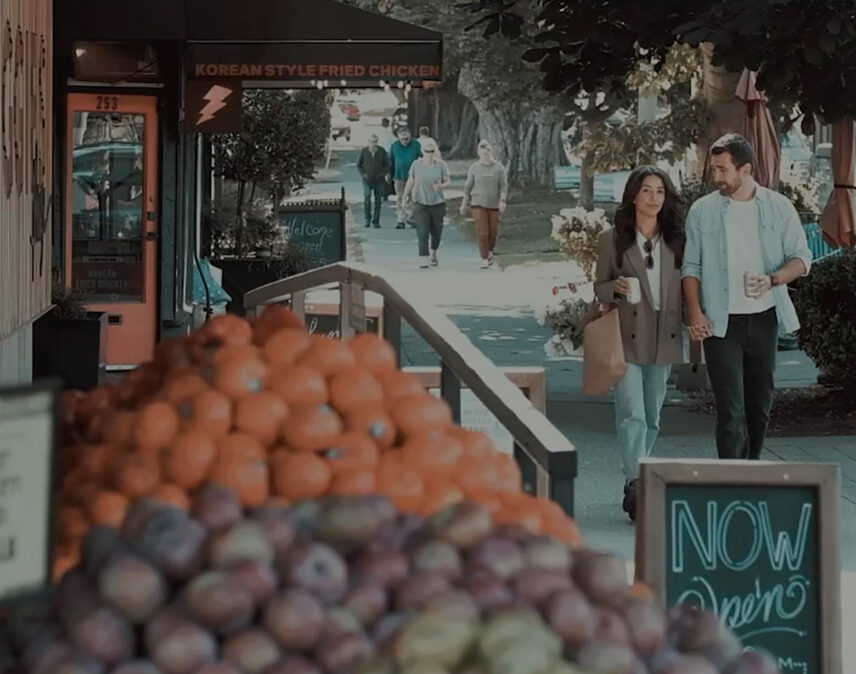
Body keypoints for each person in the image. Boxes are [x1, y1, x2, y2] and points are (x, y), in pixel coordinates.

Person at [682, 133, 812, 462]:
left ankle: (751, 472)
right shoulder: (702, 211)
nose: (717, 177)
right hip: (720, 324)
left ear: (746, 169)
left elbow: (802, 258)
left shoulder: (778, 208)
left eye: (723, 170)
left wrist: (773, 279)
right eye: (714, 169)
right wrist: (695, 312)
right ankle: (731, 483)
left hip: (764, 318)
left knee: (759, 407)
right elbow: (691, 266)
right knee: (730, 412)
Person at [594, 165, 686, 521]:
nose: (653, 198)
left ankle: (637, 473)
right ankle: (636, 481)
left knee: (652, 413)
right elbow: (599, 285)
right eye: (647, 191)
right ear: (633, 195)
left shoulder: (677, 238)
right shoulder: (612, 238)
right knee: (632, 411)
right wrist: (613, 288)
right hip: (627, 333)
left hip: (665, 333)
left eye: (660, 192)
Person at [402, 138, 451, 268]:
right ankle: (423, 257)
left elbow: (448, 181)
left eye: (431, 151)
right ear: (422, 151)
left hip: (437, 203)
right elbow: (410, 181)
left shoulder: (440, 165)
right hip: (420, 203)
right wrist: (405, 196)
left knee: (437, 232)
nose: (429, 153)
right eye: (427, 151)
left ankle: (433, 253)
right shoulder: (416, 165)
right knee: (422, 231)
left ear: (434, 152)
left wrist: (441, 186)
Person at [460, 139, 508, 268]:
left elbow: (503, 186)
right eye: (482, 151)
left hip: (494, 205)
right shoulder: (474, 167)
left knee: (493, 232)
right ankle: (484, 258)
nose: (485, 154)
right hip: (478, 204)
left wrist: (502, 200)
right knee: (483, 232)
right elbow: (468, 188)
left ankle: (490, 251)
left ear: (491, 152)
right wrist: (464, 204)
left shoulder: (499, 168)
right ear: (478, 152)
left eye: (487, 151)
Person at [388, 127, 422, 229]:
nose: (405, 141)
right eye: (402, 138)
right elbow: (391, 161)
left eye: (406, 138)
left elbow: (421, 159)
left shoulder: (415, 145)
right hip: (399, 176)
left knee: (413, 197)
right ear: (398, 137)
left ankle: (411, 217)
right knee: (400, 197)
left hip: (413, 176)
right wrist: (389, 174)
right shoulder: (395, 146)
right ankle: (400, 219)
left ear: (410, 136)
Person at [356, 134, 389, 229]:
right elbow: (358, 165)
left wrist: (382, 174)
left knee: (378, 200)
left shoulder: (381, 151)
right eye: (372, 142)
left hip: (379, 180)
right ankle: (367, 219)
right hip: (367, 180)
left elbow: (387, 165)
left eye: (375, 142)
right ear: (369, 142)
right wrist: (363, 174)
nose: (374, 144)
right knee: (367, 197)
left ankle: (376, 221)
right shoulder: (364, 151)